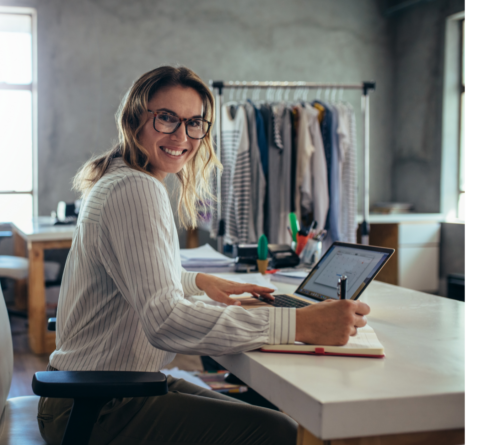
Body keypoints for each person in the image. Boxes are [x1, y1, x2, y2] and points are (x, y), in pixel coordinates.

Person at [36, 66, 370, 445]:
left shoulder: (120, 178)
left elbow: (139, 277)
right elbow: (164, 320)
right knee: (279, 432)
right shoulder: (136, 189)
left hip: (94, 391)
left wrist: (199, 282)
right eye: (166, 119)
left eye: (194, 123)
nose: (182, 136)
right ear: (135, 120)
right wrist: (300, 326)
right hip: (99, 407)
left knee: (266, 416)